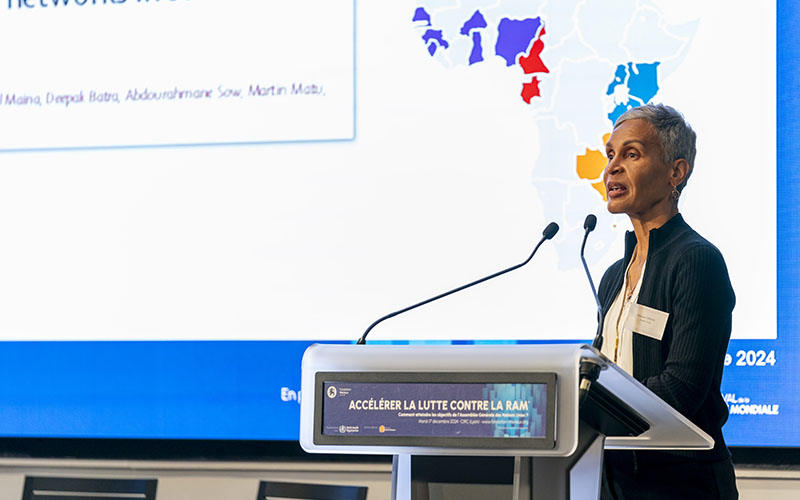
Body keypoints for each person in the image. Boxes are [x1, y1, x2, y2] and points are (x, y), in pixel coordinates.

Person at [597, 103, 738, 499]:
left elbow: (682, 389)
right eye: (611, 155)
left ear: (676, 171)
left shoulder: (696, 260)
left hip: (679, 485)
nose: (612, 169)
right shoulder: (613, 277)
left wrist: (587, 406)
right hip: (613, 480)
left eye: (632, 154)